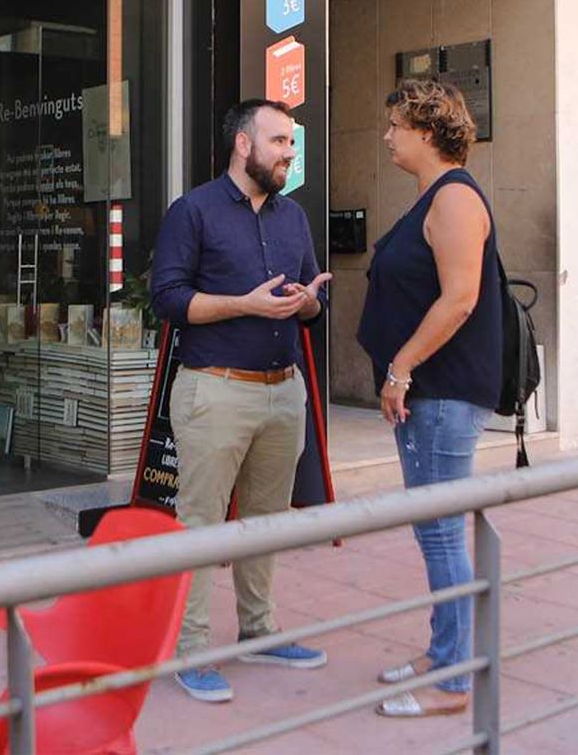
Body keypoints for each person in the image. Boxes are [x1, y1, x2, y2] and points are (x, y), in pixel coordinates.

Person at [150, 98, 332, 703]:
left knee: (267, 520)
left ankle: (259, 631)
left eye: (292, 143)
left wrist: (308, 302)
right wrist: (244, 305)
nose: (289, 154)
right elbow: (168, 299)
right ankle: (191, 650)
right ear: (244, 145)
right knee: (200, 524)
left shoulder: (293, 217)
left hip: (283, 391)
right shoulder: (193, 211)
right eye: (279, 141)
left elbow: (313, 305)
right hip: (215, 389)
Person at [357, 79, 502, 719]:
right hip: (429, 393)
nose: (388, 136)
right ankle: (446, 651)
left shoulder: (455, 198)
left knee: (441, 533)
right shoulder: (432, 197)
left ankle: (452, 679)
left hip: (442, 392)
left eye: (396, 125)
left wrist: (402, 368)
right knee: (434, 531)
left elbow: (460, 298)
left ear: (426, 131)